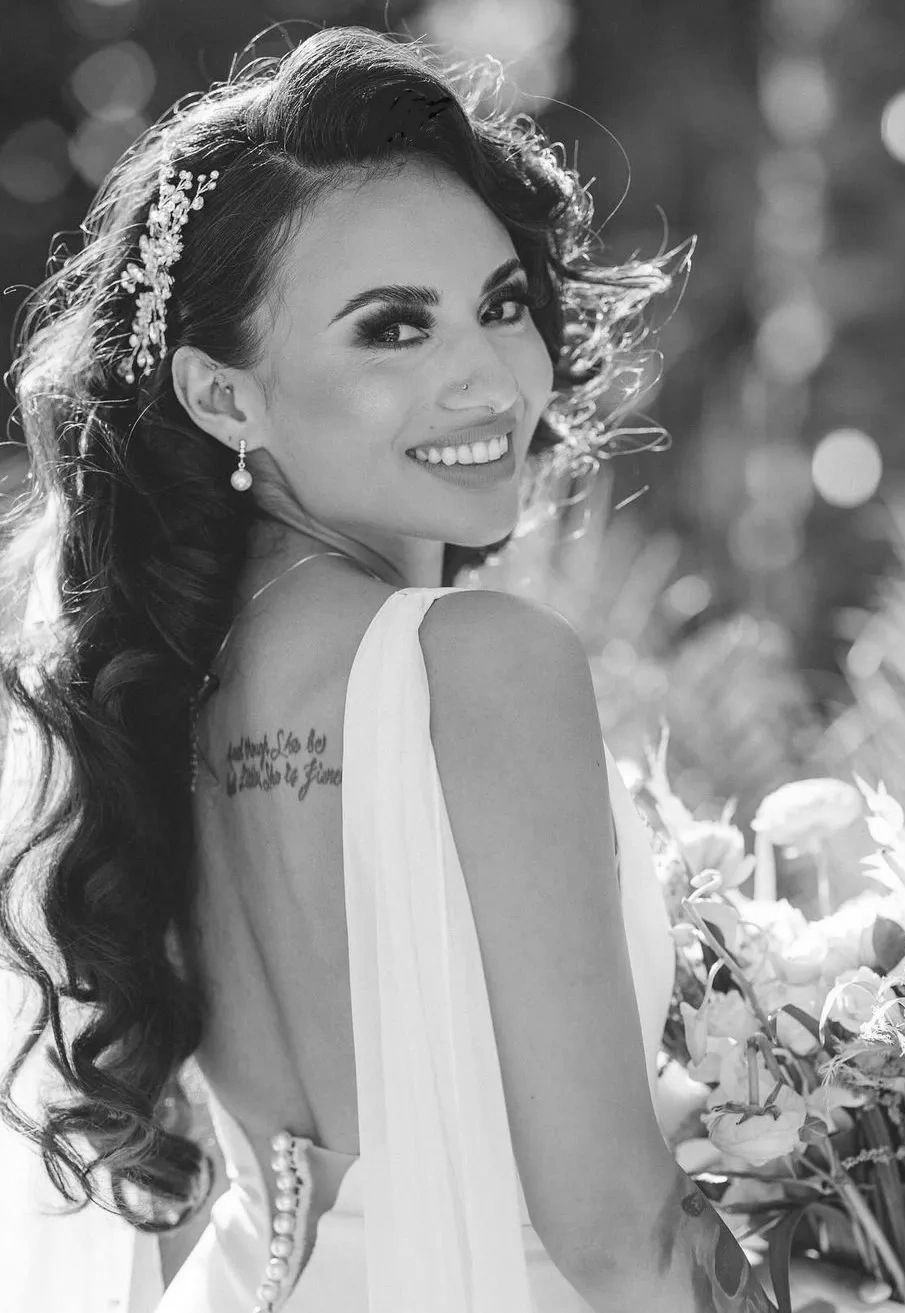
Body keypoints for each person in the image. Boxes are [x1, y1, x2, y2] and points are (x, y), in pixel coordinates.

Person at [0, 26, 780, 1313]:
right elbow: (617, 1234)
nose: (487, 378)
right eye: (393, 329)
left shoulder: (156, 695)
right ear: (224, 396)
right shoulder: (479, 664)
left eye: (502, 304)